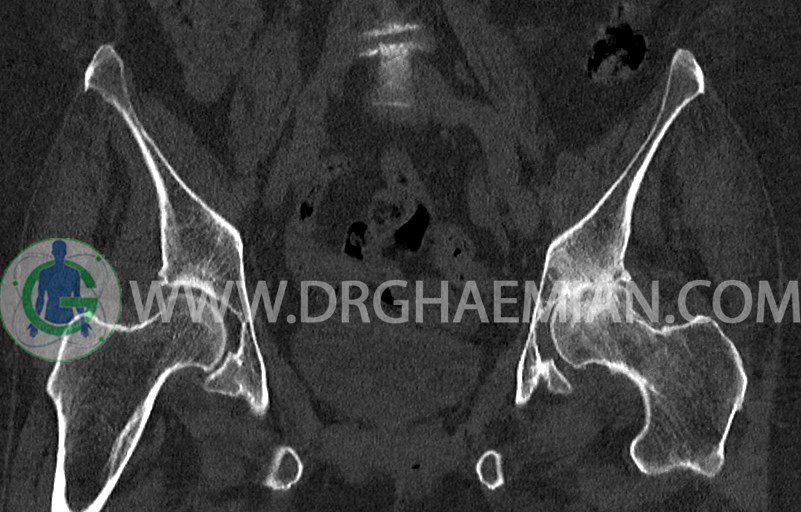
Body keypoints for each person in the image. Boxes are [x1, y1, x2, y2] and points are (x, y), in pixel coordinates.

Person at [28, 240, 91, 337]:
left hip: (67, 317)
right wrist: (35, 322)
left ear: (65, 253)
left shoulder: (74, 273)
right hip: (50, 316)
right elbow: (40, 298)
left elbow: (77, 298)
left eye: (60, 251)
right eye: (57, 251)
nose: (58, 254)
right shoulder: (44, 273)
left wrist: (83, 322)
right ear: (53, 252)